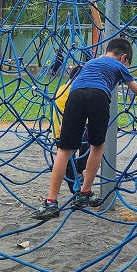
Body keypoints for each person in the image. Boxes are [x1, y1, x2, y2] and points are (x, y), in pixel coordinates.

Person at [31, 38, 137, 220]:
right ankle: (84, 193)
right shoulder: (119, 66)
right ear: (124, 57)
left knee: (64, 150)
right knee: (97, 146)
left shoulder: (90, 62)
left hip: (75, 96)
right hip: (98, 96)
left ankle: (51, 202)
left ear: (107, 50)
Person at [51, 65, 91, 193]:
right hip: (64, 133)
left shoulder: (64, 89)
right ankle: (76, 189)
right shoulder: (71, 91)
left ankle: (78, 173)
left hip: (68, 130)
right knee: (69, 162)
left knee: (89, 141)